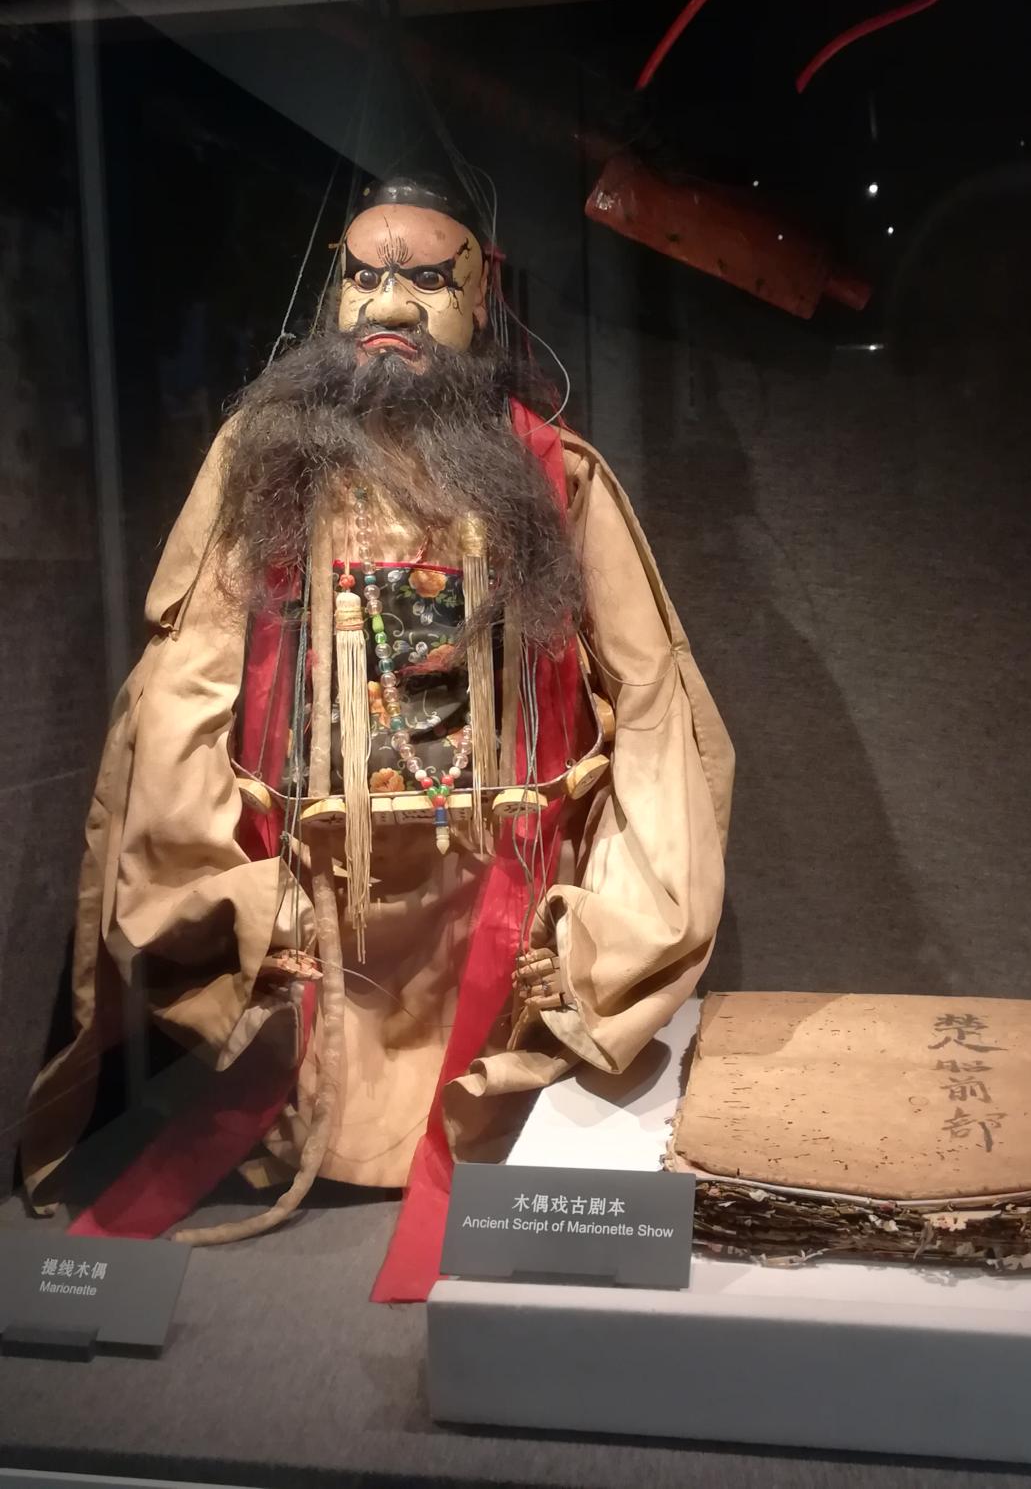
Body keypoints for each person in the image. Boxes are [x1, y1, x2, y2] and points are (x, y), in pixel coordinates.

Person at [23, 175, 732, 1298]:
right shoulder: (260, 469)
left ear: (481, 301)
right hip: (316, 929)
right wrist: (225, 896)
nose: (389, 305)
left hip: (494, 931)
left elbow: (653, 715)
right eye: (364, 277)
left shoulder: (556, 481)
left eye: (426, 279)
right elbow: (180, 693)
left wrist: (609, 938)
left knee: (492, 1077)